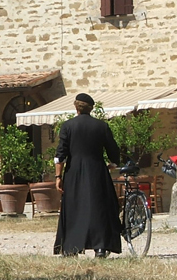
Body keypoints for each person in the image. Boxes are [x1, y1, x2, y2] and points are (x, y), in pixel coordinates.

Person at [53, 93, 122, 258]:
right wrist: (113, 163)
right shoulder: (101, 126)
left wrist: (58, 177)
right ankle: (100, 247)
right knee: (100, 207)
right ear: (91, 108)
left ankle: (72, 247)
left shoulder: (67, 126)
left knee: (74, 207)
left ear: (76, 107)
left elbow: (60, 154)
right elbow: (113, 151)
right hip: (97, 170)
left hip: (74, 172)